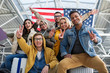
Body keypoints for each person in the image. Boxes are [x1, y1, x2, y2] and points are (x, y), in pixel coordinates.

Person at [29, 8, 97, 29]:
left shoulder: (69, 23)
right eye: (55, 16)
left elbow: (79, 19)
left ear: (61, 17)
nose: (57, 17)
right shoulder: (51, 24)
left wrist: (89, 13)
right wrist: (35, 12)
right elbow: (42, 18)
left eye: (58, 16)